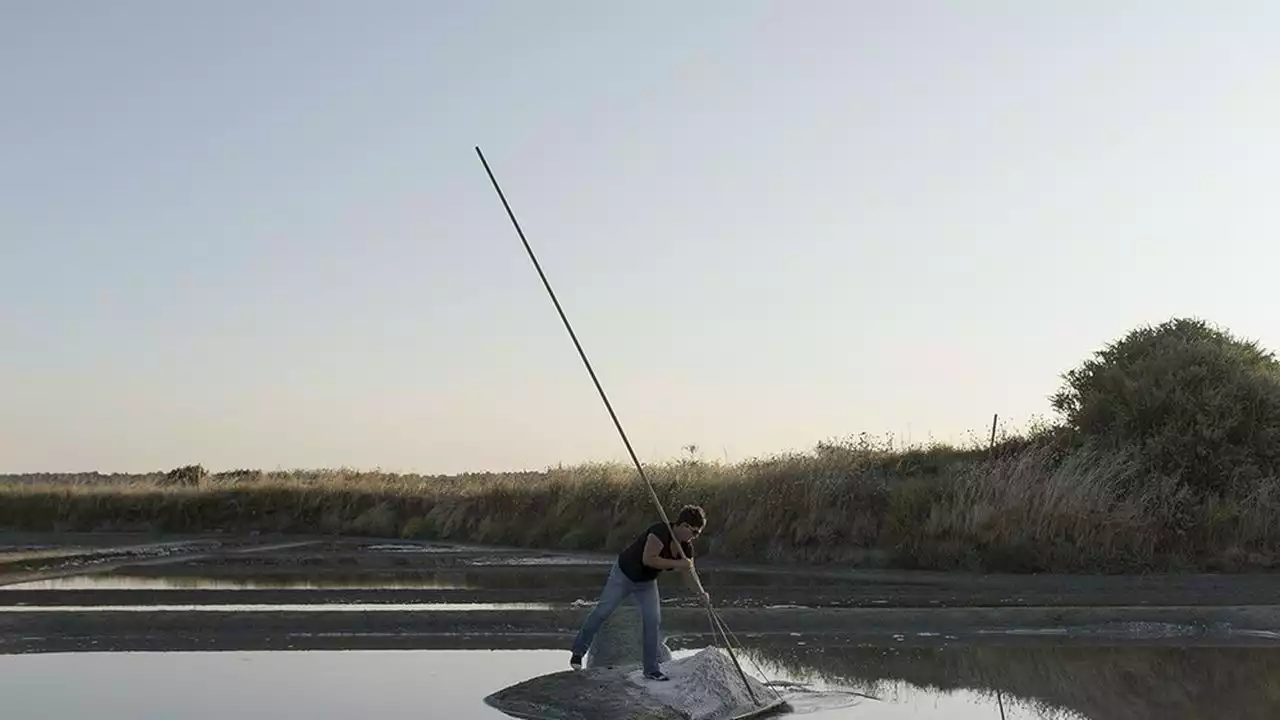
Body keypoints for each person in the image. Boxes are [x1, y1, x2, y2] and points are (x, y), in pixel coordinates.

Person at [568, 504, 710, 681]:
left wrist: (701, 593)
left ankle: (651, 670)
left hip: (646, 583)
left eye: (697, 534)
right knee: (602, 611)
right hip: (623, 575)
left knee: (653, 620)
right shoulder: (659, 532)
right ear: (684, 526)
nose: (695, 537)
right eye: (694, 532)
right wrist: (677, 564)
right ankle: (578, 652)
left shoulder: (686, 548)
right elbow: (649, 559)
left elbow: (689, 574)